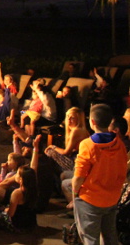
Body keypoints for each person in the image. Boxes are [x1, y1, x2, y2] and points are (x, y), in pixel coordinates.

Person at [72, 104, 128, 245]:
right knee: (110, 237)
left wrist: (75, 193)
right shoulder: (119, 143)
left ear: (92, 122)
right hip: (112, 197)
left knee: (91, 239)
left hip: (91, 199)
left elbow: (79, 176)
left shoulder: (87, 145)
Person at [44, 107, 90, 172]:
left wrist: (53, 146)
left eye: (72, 118)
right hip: (76, 160)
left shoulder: (76, 131)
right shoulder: (83, 130)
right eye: (68, 117)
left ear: (78, 120)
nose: (68, 120)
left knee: (50, 152)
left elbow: (66, 152)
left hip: (76, 162)